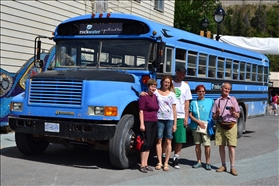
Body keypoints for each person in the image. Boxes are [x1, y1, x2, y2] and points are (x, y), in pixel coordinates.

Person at [212, 82, 240, 176]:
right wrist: (217, 113)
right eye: (225, 88)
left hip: (231, 125)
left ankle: (232, 167)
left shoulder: (233, 100)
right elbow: (214, 117)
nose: (227, 90)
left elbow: (238, 115)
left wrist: (233, 112)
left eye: (228, 89)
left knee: (231, 146)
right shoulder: (217, 101)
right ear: (221, 89)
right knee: (221, 146)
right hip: (221, 125)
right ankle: (223, 165)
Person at [171, 67, 192, 169]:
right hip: (168, 115)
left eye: (183, 74)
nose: (181, 76)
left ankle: (176, 158)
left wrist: (186, 116)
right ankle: (163, 157)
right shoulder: (170, 83)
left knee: (179, 139)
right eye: (180, 73)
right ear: (176, 72)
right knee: (166, 138)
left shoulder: (185, 86)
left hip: (180, 115)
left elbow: (187, 101)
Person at [154, 75, 177, 171]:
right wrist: (143, 93)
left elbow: (174, 109)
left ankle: (166, 162)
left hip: (169, 119)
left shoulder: (172, 94)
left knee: (168, 140)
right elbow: (148, 95)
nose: (166, 84)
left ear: (170, 84)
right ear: (162, 82)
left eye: (168, 82)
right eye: (165, 82)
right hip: (159, 118)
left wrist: (175, 123)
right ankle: (159, 162)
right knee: (159, 140)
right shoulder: (156, 92)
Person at [189, 85, 214, 170]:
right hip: (195, 126)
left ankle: (208, 163)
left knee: (207, 145)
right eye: (199, 91)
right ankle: (198, 161)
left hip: (205, 126)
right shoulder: (193, 102)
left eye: (203, 91)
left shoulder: (210, 101)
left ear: (205, 92)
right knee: (197, 145)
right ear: (196, 92)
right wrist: (198, 122)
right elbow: (190, 115)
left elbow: (216, 110)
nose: (201, 93)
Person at [138, 79, 159, 173]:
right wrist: (142, 124)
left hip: (154, 121)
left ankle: (146, 164)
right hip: (147, 121)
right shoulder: (144, 97)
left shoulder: (155, 97)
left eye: (154, 86)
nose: (153, 88)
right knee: (145, 143)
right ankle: (142, 165)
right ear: (148, 87)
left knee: (150, 143)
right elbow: (141, 111)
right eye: (151, 86)